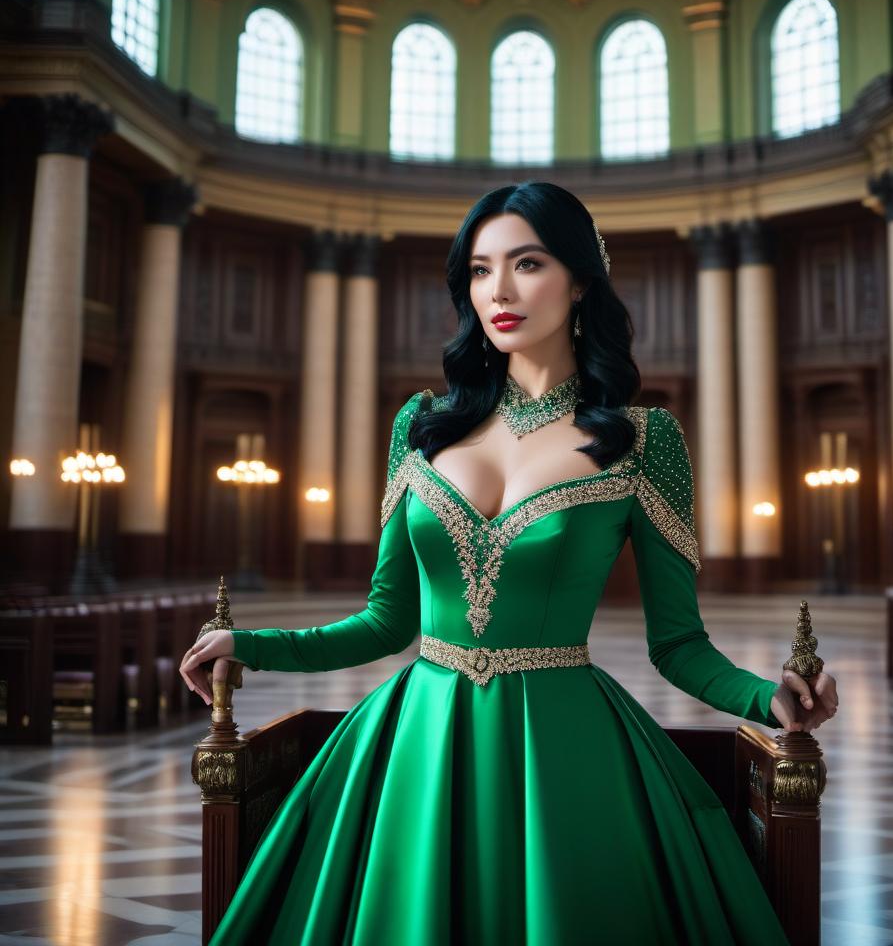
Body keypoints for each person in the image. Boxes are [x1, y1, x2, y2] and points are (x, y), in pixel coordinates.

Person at [180, 180, 839, 945]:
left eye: (526, 264)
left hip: (568, 752)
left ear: (581, 279)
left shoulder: (645, 439)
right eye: (479, 269)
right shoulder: (420, 427)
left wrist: (771, 699)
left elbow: (679, 646)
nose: (499, 290)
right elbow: (384, 622)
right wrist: (249, 645)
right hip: (417, 748)